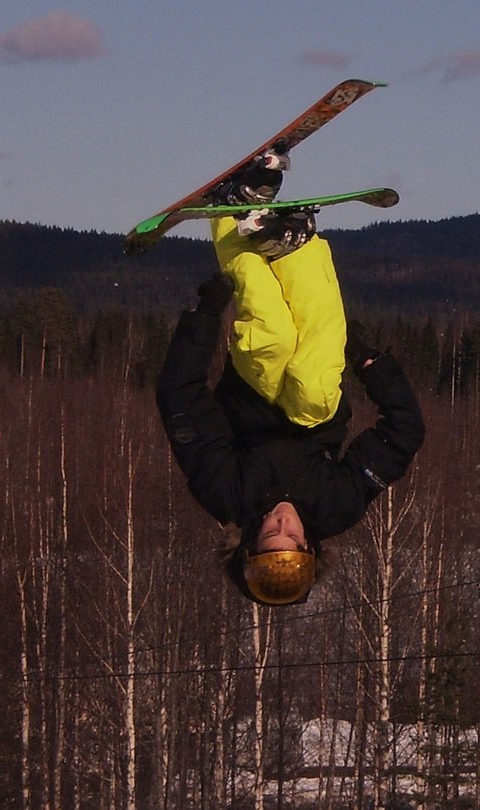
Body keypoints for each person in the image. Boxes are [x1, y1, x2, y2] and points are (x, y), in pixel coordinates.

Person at [156, 151, 425, 605]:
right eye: (291, 534)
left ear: (249, 542)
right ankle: (293, 245)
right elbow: (404, 433)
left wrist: (204, 315)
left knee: (274, 335)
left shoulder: (225, 493)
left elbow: (179, 398)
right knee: (316, 376)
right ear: (308, 545)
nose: (281, 522)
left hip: (253, 392)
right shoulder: (335, 505)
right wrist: (370, 364)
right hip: (314, 407)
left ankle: (235, 210)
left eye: (269, 534)